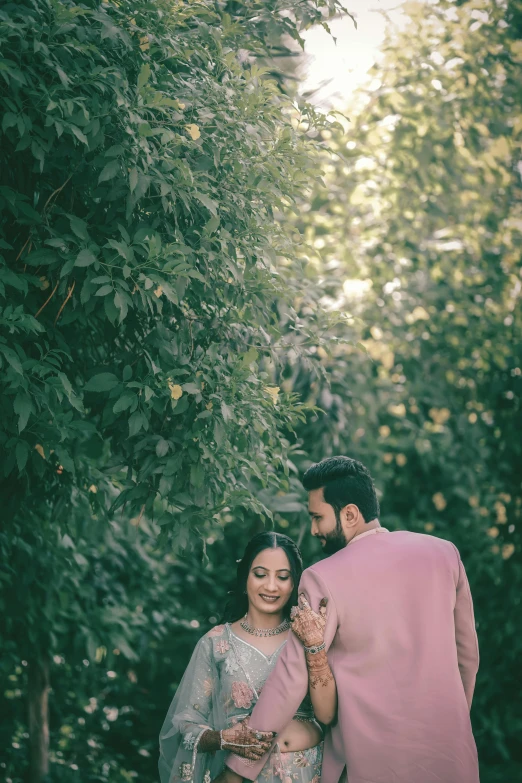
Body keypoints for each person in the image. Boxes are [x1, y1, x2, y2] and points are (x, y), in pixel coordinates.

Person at [222, 456, 480, 783]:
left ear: (350, 514)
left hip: (375, 765)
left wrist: (238, 770)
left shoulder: (323, 577)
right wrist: (452, 724)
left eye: (318, 517)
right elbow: (468, 659)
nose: (314, 529)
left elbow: (291, 676)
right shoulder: (444, 554)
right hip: (451, 758)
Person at [159, 531, 334, 783]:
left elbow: (329, 714)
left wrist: (315, 643)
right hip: (243, 777)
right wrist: (223, 738)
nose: (271, 586)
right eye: (260, 574)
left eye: (283, 577)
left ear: (295, 582)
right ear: (245, 578)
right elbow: (184, 725)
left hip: (308, 772)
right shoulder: (216, 642)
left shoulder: (307, 633)